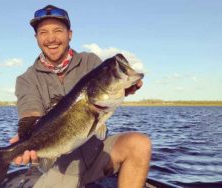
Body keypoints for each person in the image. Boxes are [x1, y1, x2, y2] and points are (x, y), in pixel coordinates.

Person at [9, 4, 151, 188]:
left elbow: (108, 92)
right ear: (36, 38)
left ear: (70, 34)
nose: (51, 38)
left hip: (96, 153)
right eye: (44, 32)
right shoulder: (26, 79)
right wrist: (23, 143)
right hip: (58, 163)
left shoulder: (91, 62)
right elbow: (31, 115)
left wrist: (126, 87)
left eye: (58, 30)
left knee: (140, 144)